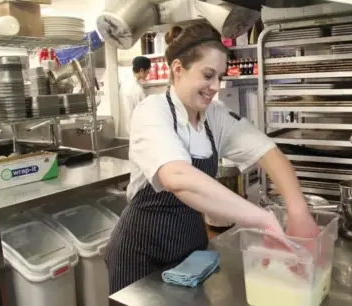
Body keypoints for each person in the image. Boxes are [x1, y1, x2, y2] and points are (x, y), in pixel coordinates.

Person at [104, 23, 320, 294]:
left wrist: (298, 210)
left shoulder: (214, 116)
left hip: (191, 250)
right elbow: (177, 177)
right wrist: (263, 220)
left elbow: (269, 152)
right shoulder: (152, 112)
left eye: (220, 76)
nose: (216, 87)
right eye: (208, 75)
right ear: (178, 70)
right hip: (140, 255)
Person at [117, 56, 151, 138]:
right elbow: (144, 114)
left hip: (123, 132)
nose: (148, 73)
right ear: (141, 70)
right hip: (133, 133)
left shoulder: (124, 83)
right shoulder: (137, 90)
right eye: (147, 71)